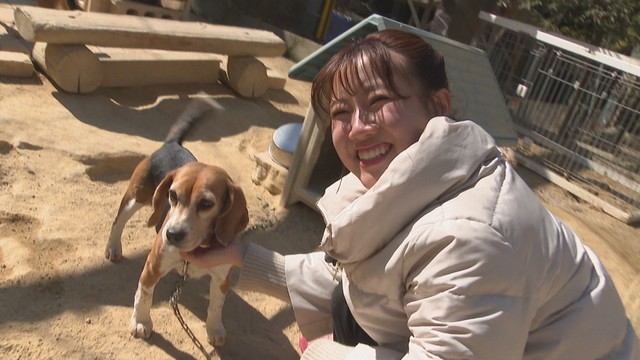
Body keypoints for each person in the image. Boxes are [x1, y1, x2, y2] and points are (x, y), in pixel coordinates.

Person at [181, 29, 639, 359]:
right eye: (341, 111)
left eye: (378, 102)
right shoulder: (408, 184)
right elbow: (357, 275)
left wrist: (327, 354)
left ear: (438, 106)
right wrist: (239, 254)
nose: (357, 127)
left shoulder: (470, 235)